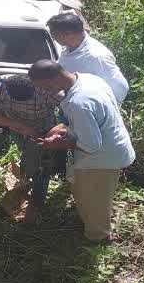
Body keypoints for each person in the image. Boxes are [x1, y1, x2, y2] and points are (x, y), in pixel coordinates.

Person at [28, 60, 135, 244]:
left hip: (102, 158)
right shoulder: (89, 79)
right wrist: (65, 128)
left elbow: (91, 145)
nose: (45, 91)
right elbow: (94, 120)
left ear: (52, 81)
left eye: (44, 87)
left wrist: (59, 145)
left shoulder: (79, 103)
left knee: (94, 201)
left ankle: (98, 238)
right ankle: (91, 224)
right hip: (111, 145)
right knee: (84, 192)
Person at [0, 74, 61, 210]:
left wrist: (54, 133)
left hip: (44, 129)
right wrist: (20, 126)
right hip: (16, 127)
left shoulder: (46, 89)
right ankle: (30, 179)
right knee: (29, 158)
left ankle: (38, 202)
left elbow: (68, 110)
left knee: (42, 165)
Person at [47, 12, 129, 103]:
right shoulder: (69, 48)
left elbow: (120, 89)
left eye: (54, 36)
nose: (54, 39)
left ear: (63, 36)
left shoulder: (96, 56)